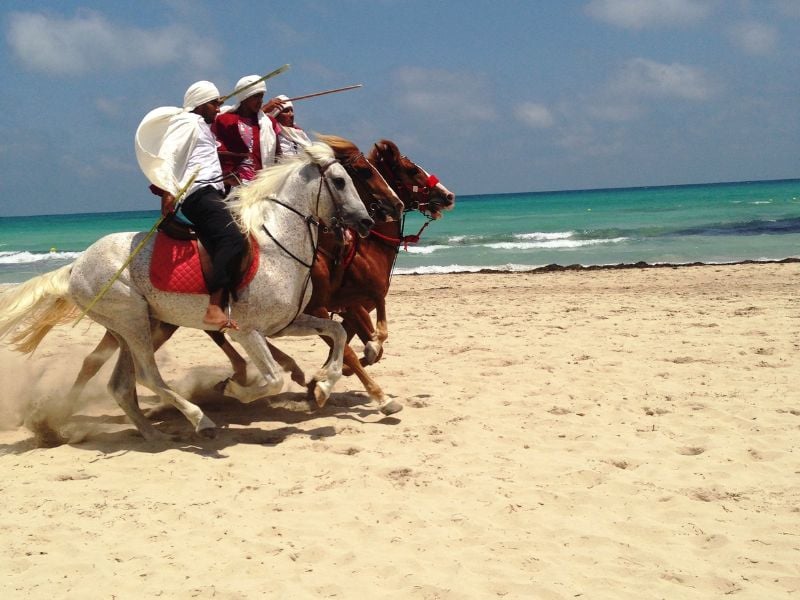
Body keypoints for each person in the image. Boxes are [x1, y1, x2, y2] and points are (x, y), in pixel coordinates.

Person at [135, 80, 245, 330]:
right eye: (214, 104)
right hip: (199, 194)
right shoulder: (189, 122)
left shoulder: (201, 124)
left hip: (212, 192)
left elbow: (223, 112)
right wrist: (167, 190)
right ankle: (214, 307)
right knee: (232, 239)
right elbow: (170, 154)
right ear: (201, 105)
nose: (218, 108)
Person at [213, 75, 285, 187]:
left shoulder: (269, 123)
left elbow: (278, 156)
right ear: (244, 97)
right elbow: (214, 151)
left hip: (261, 186)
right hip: (230, 186)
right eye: (256, 97)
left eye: (261, 97)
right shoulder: (225, 120)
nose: (260, 101)